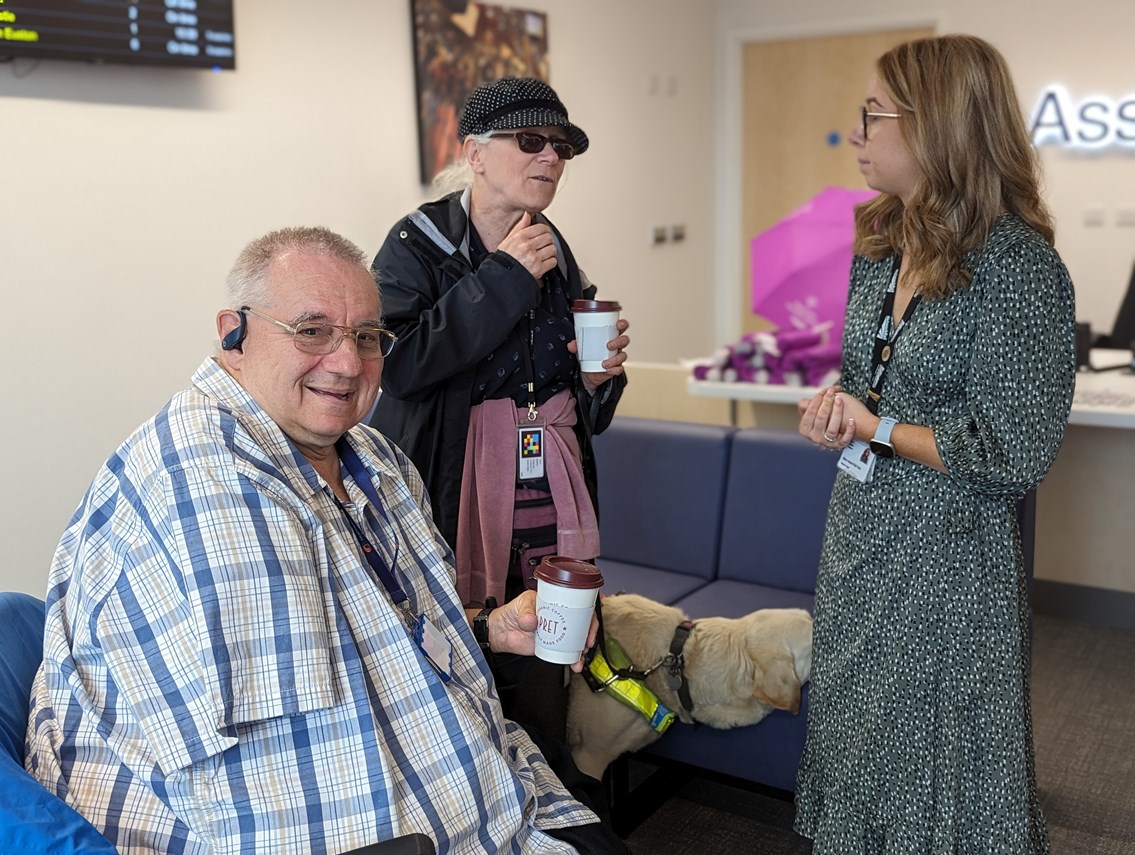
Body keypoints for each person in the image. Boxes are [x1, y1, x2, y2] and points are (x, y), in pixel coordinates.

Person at [25, 226, 629, 854]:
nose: (347, 363)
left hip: (494, 783)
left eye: (367, 337)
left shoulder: (373, 460)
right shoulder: (209, 480)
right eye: (311, 331)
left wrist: (490, 627)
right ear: (235, 332)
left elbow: (384, 630)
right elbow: (284, 781)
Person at [794, 35, 1075, 853]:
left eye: (871, 115)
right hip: (859, 533)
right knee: (855, 734)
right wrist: (839, 411)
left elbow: (1012, 450)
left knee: (929, 751)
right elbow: (862, 377)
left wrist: (873, 423)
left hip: (946, 556)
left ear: (935, 127)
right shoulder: (880, 241)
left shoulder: (1017, 265)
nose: (857, 132)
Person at [368, 77, 629, 741]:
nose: (551, 158)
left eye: (561, 147)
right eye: (531, 140)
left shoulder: (552, 244)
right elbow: (394, 368)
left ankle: (545, 793)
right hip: (457, 491)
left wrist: (599, 378)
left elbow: (575, 399)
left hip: (549, 481)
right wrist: (504, 277)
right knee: (466, 648)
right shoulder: (417, 243)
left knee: (546, 641)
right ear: (476, 154)